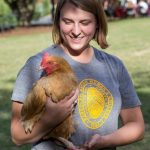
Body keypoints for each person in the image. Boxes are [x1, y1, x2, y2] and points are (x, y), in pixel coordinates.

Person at [11, 0, 145, 150]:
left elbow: (137, 126)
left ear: (97, 24)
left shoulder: (114, 66)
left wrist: (105, 141)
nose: (76, 30)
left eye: (85, 22)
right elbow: (17, 136)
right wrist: (50, 119)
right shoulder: (35, 66)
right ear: (57, 22)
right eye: (67, 21)